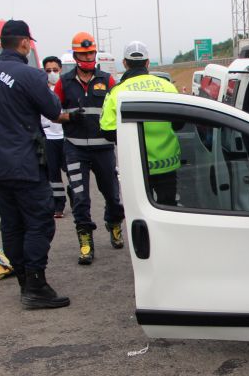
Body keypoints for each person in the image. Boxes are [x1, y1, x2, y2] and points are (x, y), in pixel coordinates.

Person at [0, 20, 69, 309]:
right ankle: (36, 285)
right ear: (25, 42)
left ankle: (25, 283)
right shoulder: (29, 75)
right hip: (25, 162)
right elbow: (53, 110)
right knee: (39, 223)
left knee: (11, 225)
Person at [54, 32, 123, 265]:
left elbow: (118, 111)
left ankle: (113, 224)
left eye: (91, 53)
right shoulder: (64, 82)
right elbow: (53, 114)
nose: (88, 57)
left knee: (113, 196)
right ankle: (85, 242)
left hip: (103, 149)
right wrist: (68, 116)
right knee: (80, 198)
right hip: (75, 149)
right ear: (75, 56)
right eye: (83, 54)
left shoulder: (108, 80)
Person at [99, 41, 180, 205]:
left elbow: (107, 131)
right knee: (169, 209)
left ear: (124, 63)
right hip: (167, 164)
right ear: (148, 63)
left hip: (136, 165)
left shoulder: (117, 92)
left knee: (140, 214)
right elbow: (179, 124)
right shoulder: (168, 86)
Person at [40, 56, 68, 218]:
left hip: (65, 137)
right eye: (48, 71)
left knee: (72, 172)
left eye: (55, 70)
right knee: (53, 174)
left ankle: (75, 199)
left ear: (60, 70)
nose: (52, 73)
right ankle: (58, 205)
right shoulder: (40, 90)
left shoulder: (66, 88)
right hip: (48, 137)